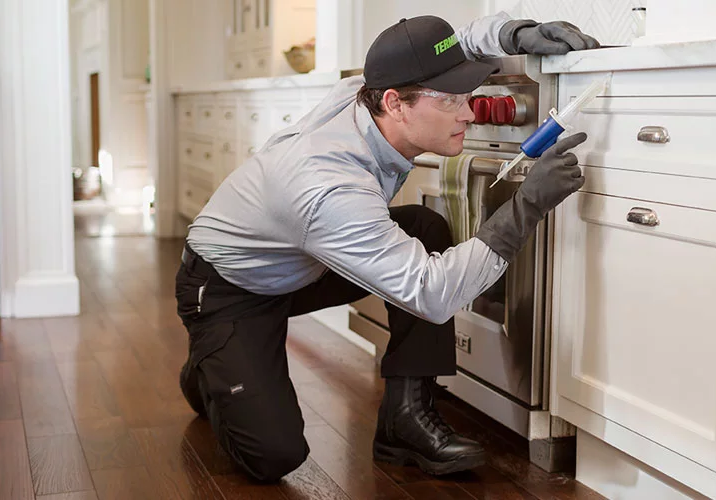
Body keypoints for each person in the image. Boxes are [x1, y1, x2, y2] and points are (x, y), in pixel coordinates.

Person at [175, 11, 598, 482]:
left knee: (424, 227)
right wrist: (527, 205)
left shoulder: (368, 89)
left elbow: (454, 43)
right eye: (451, 101)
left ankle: (405, 419)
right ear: (396, 104)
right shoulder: (329, 186)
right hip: (228, 289)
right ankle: (207, 369)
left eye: (468, 96)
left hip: (304, 263)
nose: (468, 112)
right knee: (275, 455)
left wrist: (515, 33)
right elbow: (431, 294)